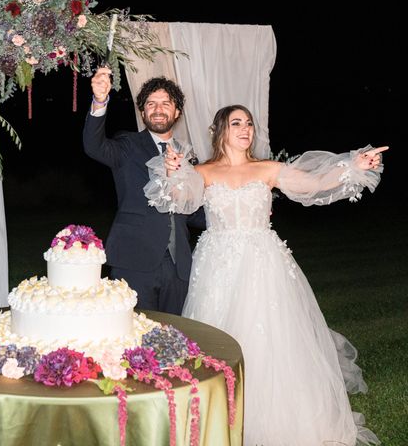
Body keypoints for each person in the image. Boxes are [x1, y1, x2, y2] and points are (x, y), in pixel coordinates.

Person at [144, 104, 386, 445]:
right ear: (219, 131)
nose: (246, 129)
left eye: (249, 124)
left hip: (263, 264)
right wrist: (172, 173)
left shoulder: (267, 169)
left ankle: (282, 423)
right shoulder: (204, 172)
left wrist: (353, 165)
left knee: (272, 339)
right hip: (218, 267)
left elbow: (315, 182)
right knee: (219, 338)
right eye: (236, 123)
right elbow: (180, 198)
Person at [83, 68, 205, 314]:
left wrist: (234, 214)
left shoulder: (190, 157)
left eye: (165, 103)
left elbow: (191, 213)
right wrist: (99, 101)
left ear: (177, 112)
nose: (158, 109)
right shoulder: (127, 146)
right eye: (151, 104)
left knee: (175, 337)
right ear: (143, 111)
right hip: (133, 260)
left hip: (179, 266)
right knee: (133, 336)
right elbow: (94, 146)